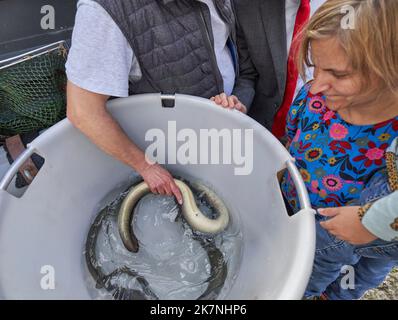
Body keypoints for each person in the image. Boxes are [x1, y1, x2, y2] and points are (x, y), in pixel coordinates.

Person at [278, 0, 398, 299]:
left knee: (347, 284)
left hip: (363, 243)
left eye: (339, 74)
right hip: (296, 216)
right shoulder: (315, 97)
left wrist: (369, 221)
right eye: (315, 67)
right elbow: (290, 140)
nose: (316, 84)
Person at [65, 0, 238, 204]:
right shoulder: (102, 11)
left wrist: (239, 98)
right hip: (163, 145)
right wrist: (146, 167)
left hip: (221, 127)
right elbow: (83, 111)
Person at [212, 0, 326, 137]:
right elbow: (248, 73)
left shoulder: (349, 9)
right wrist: (239, 103)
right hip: (262, 130)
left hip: (323, 133)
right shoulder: (246, 5)